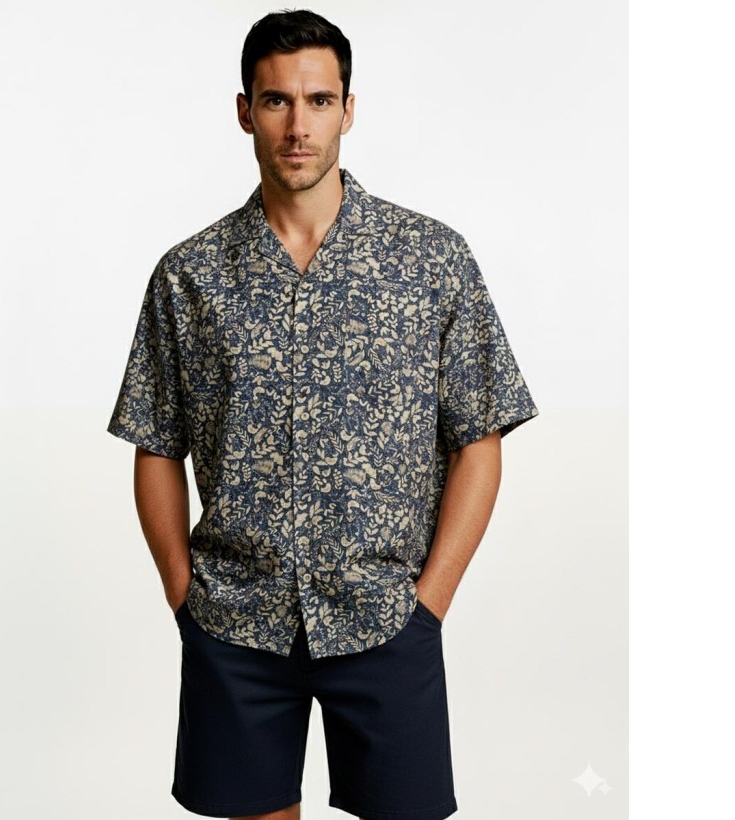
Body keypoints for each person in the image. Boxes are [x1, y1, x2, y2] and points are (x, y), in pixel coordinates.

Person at [107, 9, 539, 820]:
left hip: (386, 618)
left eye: (318, 100)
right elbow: (155, 443)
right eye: (277, 101)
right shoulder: (189, 276)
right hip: (236, 624)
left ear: (349, 109)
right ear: (246, 112)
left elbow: (478, 439)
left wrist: (429, 605)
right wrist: (183, 594)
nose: (298, 126)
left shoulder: (431, 261)